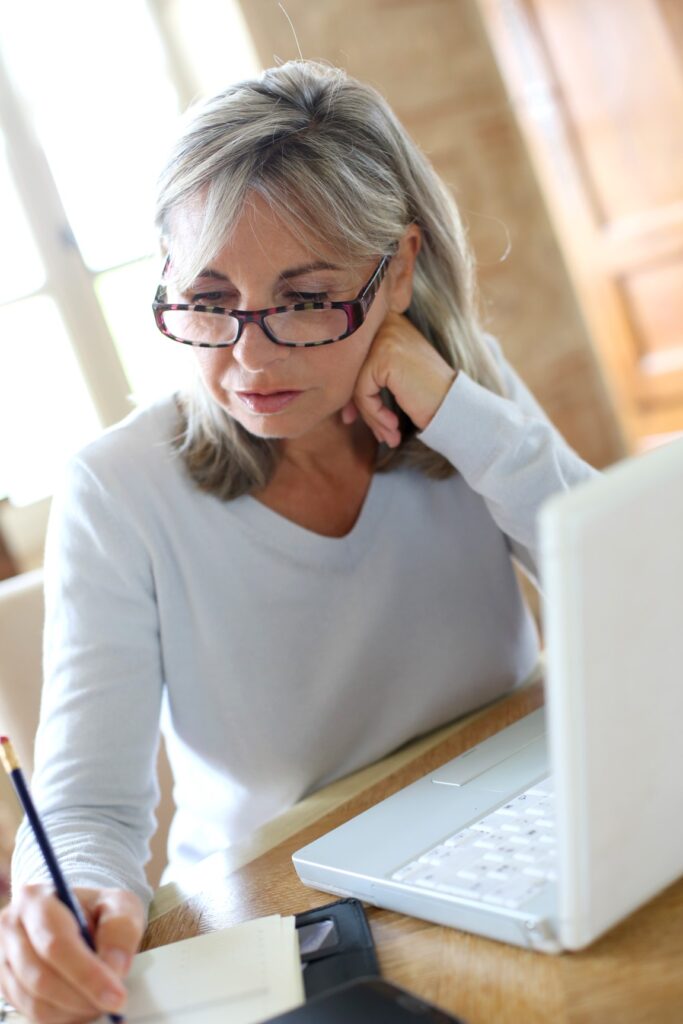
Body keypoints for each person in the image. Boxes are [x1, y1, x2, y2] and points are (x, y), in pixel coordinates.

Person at [2, 60, 597, 1022]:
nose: (248, 357)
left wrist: (460, 411)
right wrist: (64, 901)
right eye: (207, 298)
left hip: (505, 830)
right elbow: (89, 810)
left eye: (304, 298)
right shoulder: (119, 488)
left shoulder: (464, 395)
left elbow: (639, 602)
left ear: (395, 270)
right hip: (280, 914)